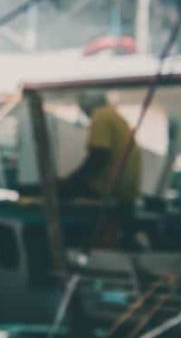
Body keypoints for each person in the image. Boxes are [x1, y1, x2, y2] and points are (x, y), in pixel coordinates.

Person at [59, 91, 142, 245]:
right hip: (127, 191)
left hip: (111, 189)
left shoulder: (100, 116)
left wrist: (71, 182)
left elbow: (98, 157)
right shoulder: (115, 115)